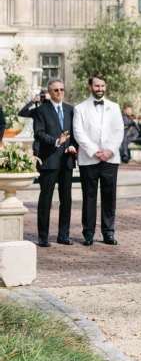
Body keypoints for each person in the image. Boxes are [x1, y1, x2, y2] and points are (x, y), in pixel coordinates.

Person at [73, 75, 124, 246]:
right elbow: (78, 133)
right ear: (90, 87)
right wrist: (95, 152)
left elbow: (119, 131)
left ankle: (108, 233)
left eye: (102, 86)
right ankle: (88, 233)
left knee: (109, 198)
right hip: (89, 159)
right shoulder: (79, 108)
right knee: (89, 197)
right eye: (97, 86)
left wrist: (109, 151)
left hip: (110, 159)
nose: (100, 89)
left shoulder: (114, 107)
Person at [33, 77, 78, 247]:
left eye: (61, 89)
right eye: (55, 90)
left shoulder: (71, 110)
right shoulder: (41, 110)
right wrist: (56, 142)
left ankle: (63, 235)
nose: (59, 92)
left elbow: (75, 134)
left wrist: (72, 146)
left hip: (66, 160)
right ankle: (43, 236)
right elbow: (38, 133)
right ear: (49, 92)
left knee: (66, 199)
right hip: (49, 160)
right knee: (46, 199)